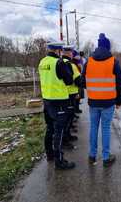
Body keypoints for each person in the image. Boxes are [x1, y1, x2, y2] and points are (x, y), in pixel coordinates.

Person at [82, 33, 121, 167]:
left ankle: (92, 156)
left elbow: (83, 82)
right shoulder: (113, 62)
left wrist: (93, 88)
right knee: (105, 129)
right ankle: (106, 158)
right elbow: (119, 84)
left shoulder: (89, 61)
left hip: (93, 102)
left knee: (93, 127)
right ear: (108, 47)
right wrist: (119, 101)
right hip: (108, 102)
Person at [38, 41, 76, 170]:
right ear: (58, 51)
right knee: (58, 132)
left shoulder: (42, 62)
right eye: (61, 51)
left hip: (47, 100)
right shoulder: (58, 63)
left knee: (49, 129)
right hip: (59, 101)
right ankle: (59, 161)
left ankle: (49, 154)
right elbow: (69, 80)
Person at [61, 45, 82, 149]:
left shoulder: (59, 62)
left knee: (66, 117)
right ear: (69, 53)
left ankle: (67, 136)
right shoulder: (71, 65)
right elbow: (78, 81)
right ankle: (65, 139)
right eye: (72, 52)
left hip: (62, 94)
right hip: (71, 94)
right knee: (68, 117)